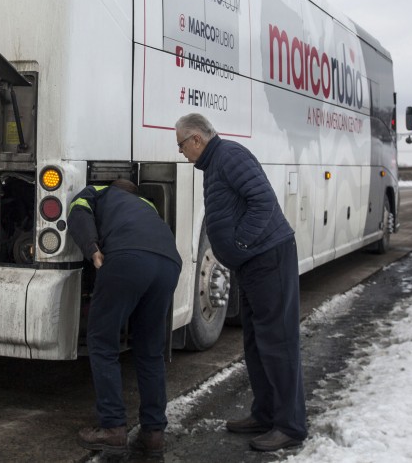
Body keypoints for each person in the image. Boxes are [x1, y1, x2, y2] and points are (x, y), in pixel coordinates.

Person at [175, 113, 307, 452]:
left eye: (181, 145)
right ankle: (264, 414)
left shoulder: (230, 156)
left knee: (278, 342)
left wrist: (241, 244)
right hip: (252, 265)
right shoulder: (215, 162)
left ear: (196, 140)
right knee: (255, 342)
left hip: (268, 258)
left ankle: (290, 426)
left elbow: (263, 202)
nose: (181, 153)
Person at [69, 178, 183, 460]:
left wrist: (92, 249)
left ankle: (113, 428)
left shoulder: (99, 192)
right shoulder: (148, 206)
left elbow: (78, 212)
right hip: (169, 264)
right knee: (149, 350)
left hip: (126, 258)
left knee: (102, 341)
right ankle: (153, 435)